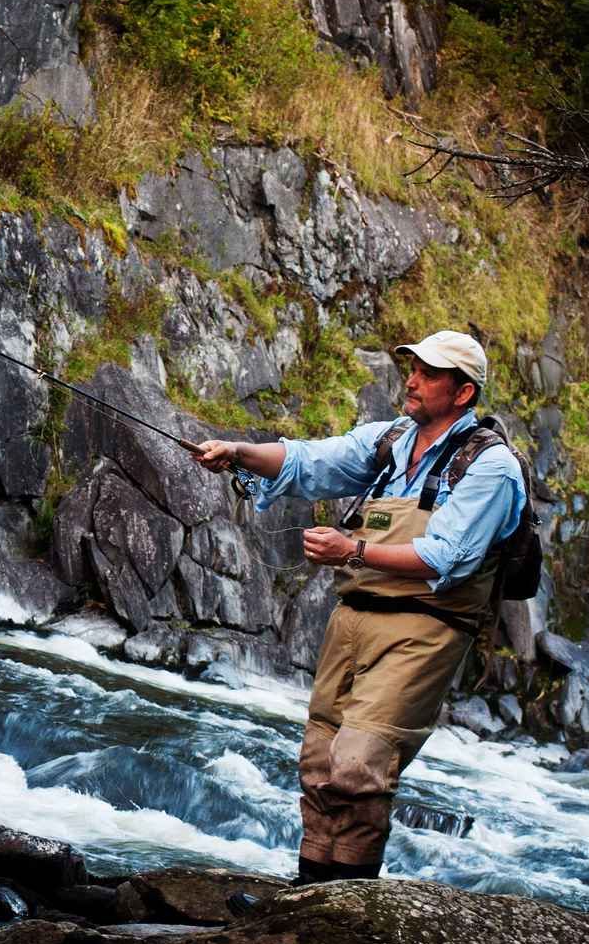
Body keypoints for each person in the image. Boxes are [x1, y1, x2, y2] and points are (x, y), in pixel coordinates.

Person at [193, 330, 526, 884]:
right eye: (411, 369)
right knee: (320, 762)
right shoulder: (391, 440)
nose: (412, 381)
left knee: (360, 765)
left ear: (463, 393)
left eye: (428, 374)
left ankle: (349, 910)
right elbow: (310, 461)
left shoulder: (491, 467)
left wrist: (355, 550)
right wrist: (239, 452)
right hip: (353, 619)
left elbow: (449, 555)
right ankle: (307, 898)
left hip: (425, 628)